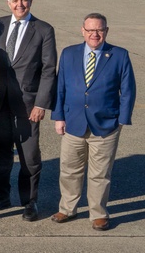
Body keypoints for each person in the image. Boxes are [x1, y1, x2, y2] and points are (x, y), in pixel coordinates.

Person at [52, 13, 136, 231]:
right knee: (70, 169)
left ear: (106, 31)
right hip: (73, 122)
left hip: (106, 125)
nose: (94, 34)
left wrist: (121, 120)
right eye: (90, 30)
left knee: (100, 173)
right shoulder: (69, 53)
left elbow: (127, 90)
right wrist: (58, 116)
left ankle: (98, 213)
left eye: (99, 30)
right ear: (82, 30)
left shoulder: (119, 55)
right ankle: (68, 208)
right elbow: (60, 88)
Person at [0, 0, 57, 221]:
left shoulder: (44, 30)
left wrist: (41, 104)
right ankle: (1, 195)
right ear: (8, 3)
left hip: (28, 105)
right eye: (15, 1)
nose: (20, 4)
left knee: (29, 156)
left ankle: (29, 202)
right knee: (2, 152)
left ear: (31, 1)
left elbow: (49, 70)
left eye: (24, 0)